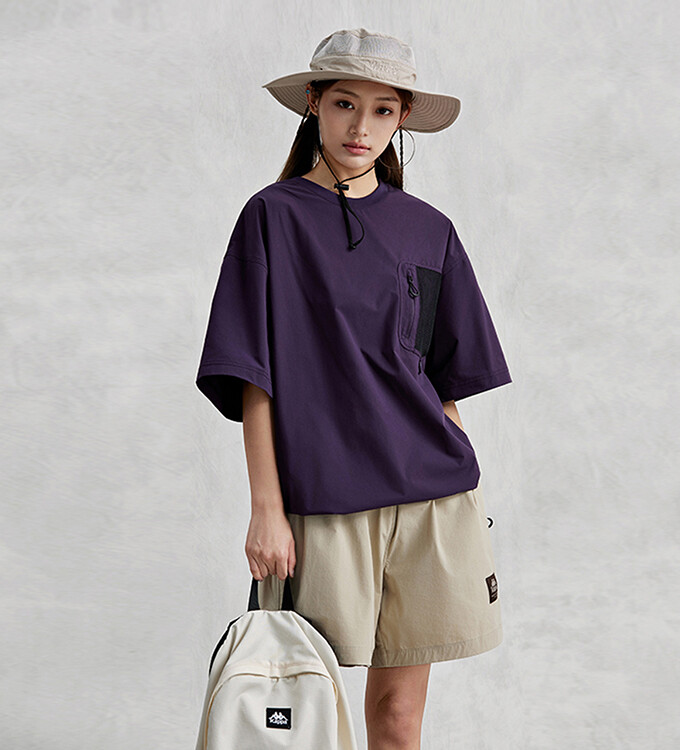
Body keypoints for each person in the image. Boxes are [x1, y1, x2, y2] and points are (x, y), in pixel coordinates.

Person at [195, 27, 513, 749]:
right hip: (323, 503)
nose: (360, 127)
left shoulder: (428, 230)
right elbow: (251, 375)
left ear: (402, 118)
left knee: (398, 721)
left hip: (431, 503)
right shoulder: (272, 217)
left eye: (382, 110)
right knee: (295, 716)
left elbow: (441, 377)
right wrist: (266, 510)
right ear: (314, 103)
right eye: (344, 103)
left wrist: (466, 490)